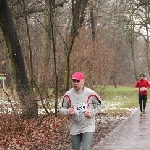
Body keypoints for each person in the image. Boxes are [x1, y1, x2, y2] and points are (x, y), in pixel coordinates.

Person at [59, 72, 102, 150]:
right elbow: (61, 109)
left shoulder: (90, 93)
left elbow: (100, 105)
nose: (75, 83)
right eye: (74, 81)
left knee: (85, 148)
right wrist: (68, 111)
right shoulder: (68, 94)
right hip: (75, 126)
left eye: (78, 81)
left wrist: (92, 113)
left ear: (83, 81)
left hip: (88, 125)